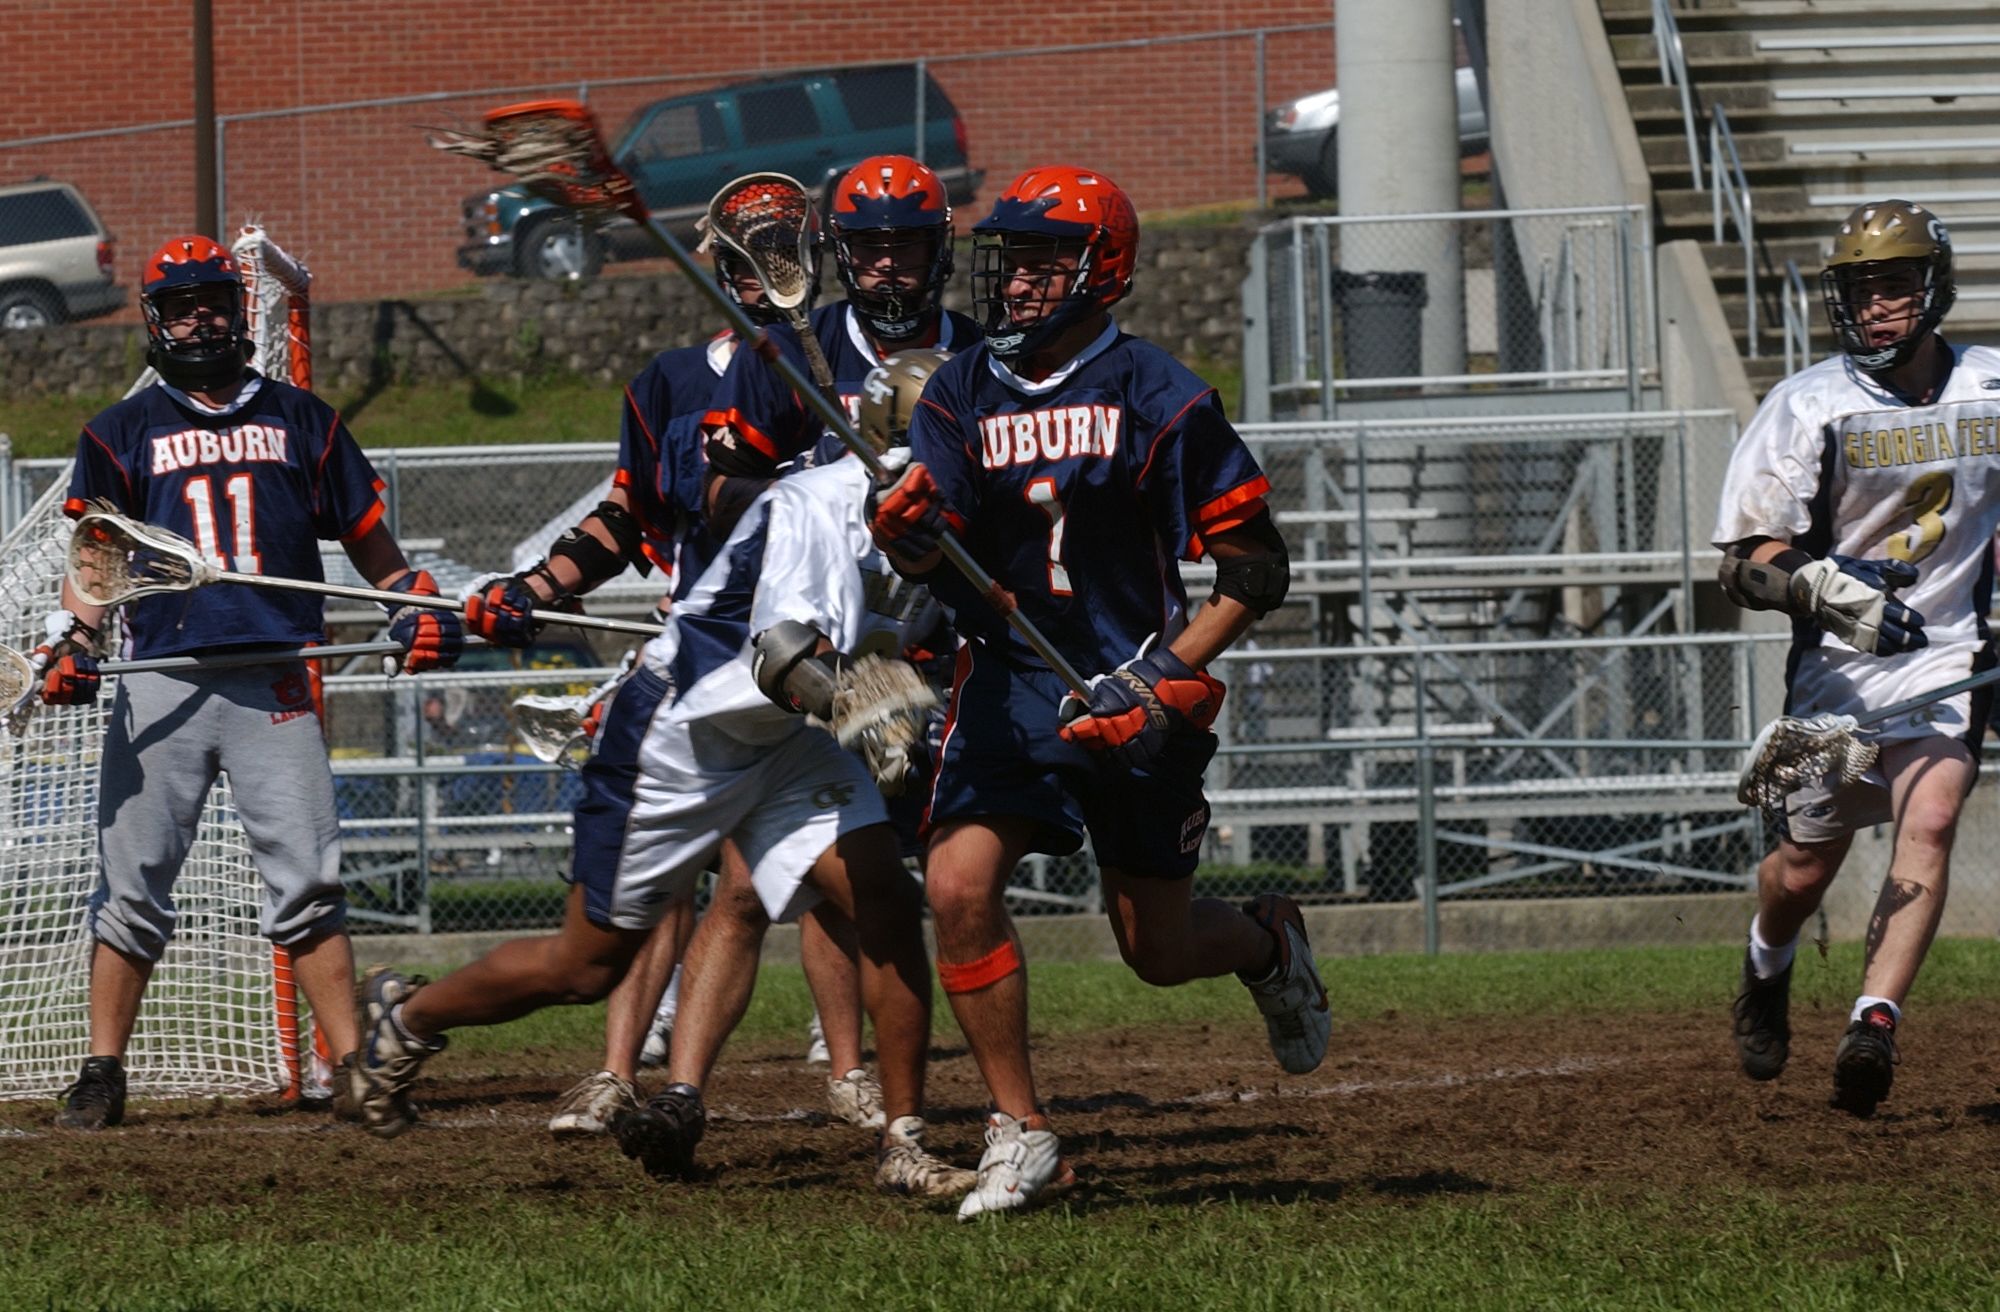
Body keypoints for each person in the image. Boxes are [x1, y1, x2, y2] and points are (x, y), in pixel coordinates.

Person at [356, 366, 974, 1199]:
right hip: (686, 733)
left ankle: (903, 1142)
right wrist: (873, 714)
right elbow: (785, 654)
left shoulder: (941, 523)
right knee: (585, 968)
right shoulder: (816, 505)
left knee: (886, 903)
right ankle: (405, 1018)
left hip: (787, 743)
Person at [864, 166, 1331, 1219]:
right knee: (957, 886)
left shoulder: (1159, 393)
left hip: (1133, 683)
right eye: (1011, 263)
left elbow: (1255, 571)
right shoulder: (958, 390)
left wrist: (1163, 679)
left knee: (1155, 950)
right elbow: (939, 552)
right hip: (1009, 680)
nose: (1017, 284)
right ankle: (1019, 1129)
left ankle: (1267, 941)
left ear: (1100, 272)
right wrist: (904, 532)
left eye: (1044, 265)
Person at [460, 219, 883, 1139]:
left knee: (830, 873)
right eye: (748, 258)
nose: (767, 273)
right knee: (661, 882)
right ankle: (618, 1072)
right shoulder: (672, 382)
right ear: (721, 270)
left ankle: (849, 1071)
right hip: (711, 651)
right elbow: (626, 514)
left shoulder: (857, 365)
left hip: (831, 645)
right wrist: (535, 588)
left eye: (784, 251)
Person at [45, 235, 462, 1130]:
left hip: (274, 677)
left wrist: (410, 603)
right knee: (132, 888)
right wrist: (76, 638)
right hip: (163, 676)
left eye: (213, 301)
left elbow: (374, 546)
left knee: (307, 882)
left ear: (240, 310)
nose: (201, 319)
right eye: (182, 305)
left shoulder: (304, 419)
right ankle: (102, 1068)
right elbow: (94, 560)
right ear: (156, 321)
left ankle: (352, 1068)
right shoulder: (120, 432)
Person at [1717, 198, 2000, 1117]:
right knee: (1803, 871)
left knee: (1933, 818)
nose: (1877, 305)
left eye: (1894, 284)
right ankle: (1767, 962)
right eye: (1862, 288)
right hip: (1837, 673)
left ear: (1934, 287)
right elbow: (1743, 561)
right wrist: (1830, 591)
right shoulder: (1809, 402)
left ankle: (1873, 1023)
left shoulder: (1991, 385)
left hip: (1949, 654)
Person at [700, 154, 980, 535]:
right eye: (870, 245)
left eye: (906, 244)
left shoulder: (979, 354)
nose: (887, 263)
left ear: (937, 248)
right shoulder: (785, 353)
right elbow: (717, 499)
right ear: (844, 250)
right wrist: (812, 481)